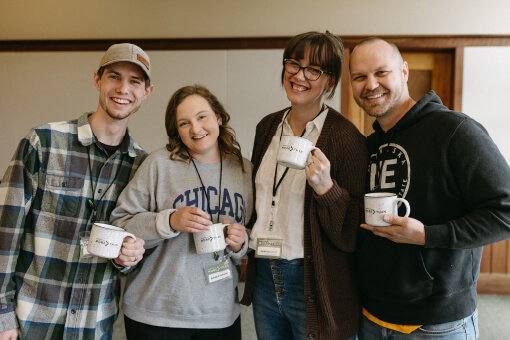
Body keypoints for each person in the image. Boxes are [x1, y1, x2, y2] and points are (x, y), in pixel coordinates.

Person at [349, 37, 510, 339]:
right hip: (371, 317)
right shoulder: (366, 146)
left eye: (381, 72)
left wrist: (426, 235)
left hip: (437, 324)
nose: (370, 84)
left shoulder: (455, 131)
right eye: (360, 76)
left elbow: (506, 212)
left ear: (404, 72)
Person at [0, 43, 153, 339]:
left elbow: (133, 255)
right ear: (97, 79)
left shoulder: (142, 167)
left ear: (147, 91)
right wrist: (2, 313)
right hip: (30, 320)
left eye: (135, 81)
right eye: (114, 76)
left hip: (93, 325)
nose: (123, 88)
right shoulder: (44, 142)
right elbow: (5, 231)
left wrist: (128, 258)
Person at [240, 31, 367, 340]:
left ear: (330, 81)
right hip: (265, 273)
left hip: (313, 278)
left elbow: (352, 233)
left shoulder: (346, 139)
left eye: (314, 70)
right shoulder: (267, 126)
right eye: (293, 64)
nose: (299, 75)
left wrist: (327, 190)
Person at [110, 85, 253, 340]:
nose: (196, 129)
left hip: (219, 316)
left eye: (202, 117)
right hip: (155, 313)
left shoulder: (245, 171)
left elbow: (251, 236)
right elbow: (121, 225)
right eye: (184, 123)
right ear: (176, 130)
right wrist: (170, 221)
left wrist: (240, 243)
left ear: (218, 117)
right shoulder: (159, 164)